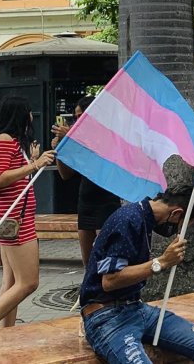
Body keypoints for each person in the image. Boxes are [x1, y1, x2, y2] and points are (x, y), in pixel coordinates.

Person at [79, 159, 194, 364]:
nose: (176, 232)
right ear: (176, 214)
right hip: (106, 316)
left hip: (137, 308)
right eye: (180, 226)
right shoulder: (128, 220)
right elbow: (109, 280)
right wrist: (162, 262)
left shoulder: (144, 219)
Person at [0, 96, 55, 331]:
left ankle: (6, 334)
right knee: (28, 282)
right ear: (20, 114)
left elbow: (15, 176)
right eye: (29, 112)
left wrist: (33, 160)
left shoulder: (12, 141)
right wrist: (34, 165)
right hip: (15, 220)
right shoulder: (5, 140)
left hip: (16, 218)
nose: (31, 117)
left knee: (10, 283)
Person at [54, 95, 123, 266]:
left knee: (105, 257)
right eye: (75, 117)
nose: (77, 120)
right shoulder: (78, 139)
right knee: (88, 261)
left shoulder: (107, 135)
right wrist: (60, 150)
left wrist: (71, 137)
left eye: (80, 116)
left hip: (106, 201)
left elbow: (97, 162)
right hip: (86, 202)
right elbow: (66, 174)